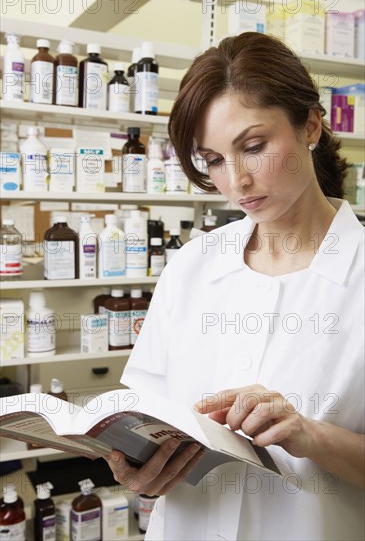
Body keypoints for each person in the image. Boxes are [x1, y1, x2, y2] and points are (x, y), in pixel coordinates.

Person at [106, 32, 364, 540]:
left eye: (253, 147)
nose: (237, 181)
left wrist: (310, 435)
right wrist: (138, 471)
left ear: (311, 124)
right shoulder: (192, 266)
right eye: (214, 160)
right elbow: (148, 418)